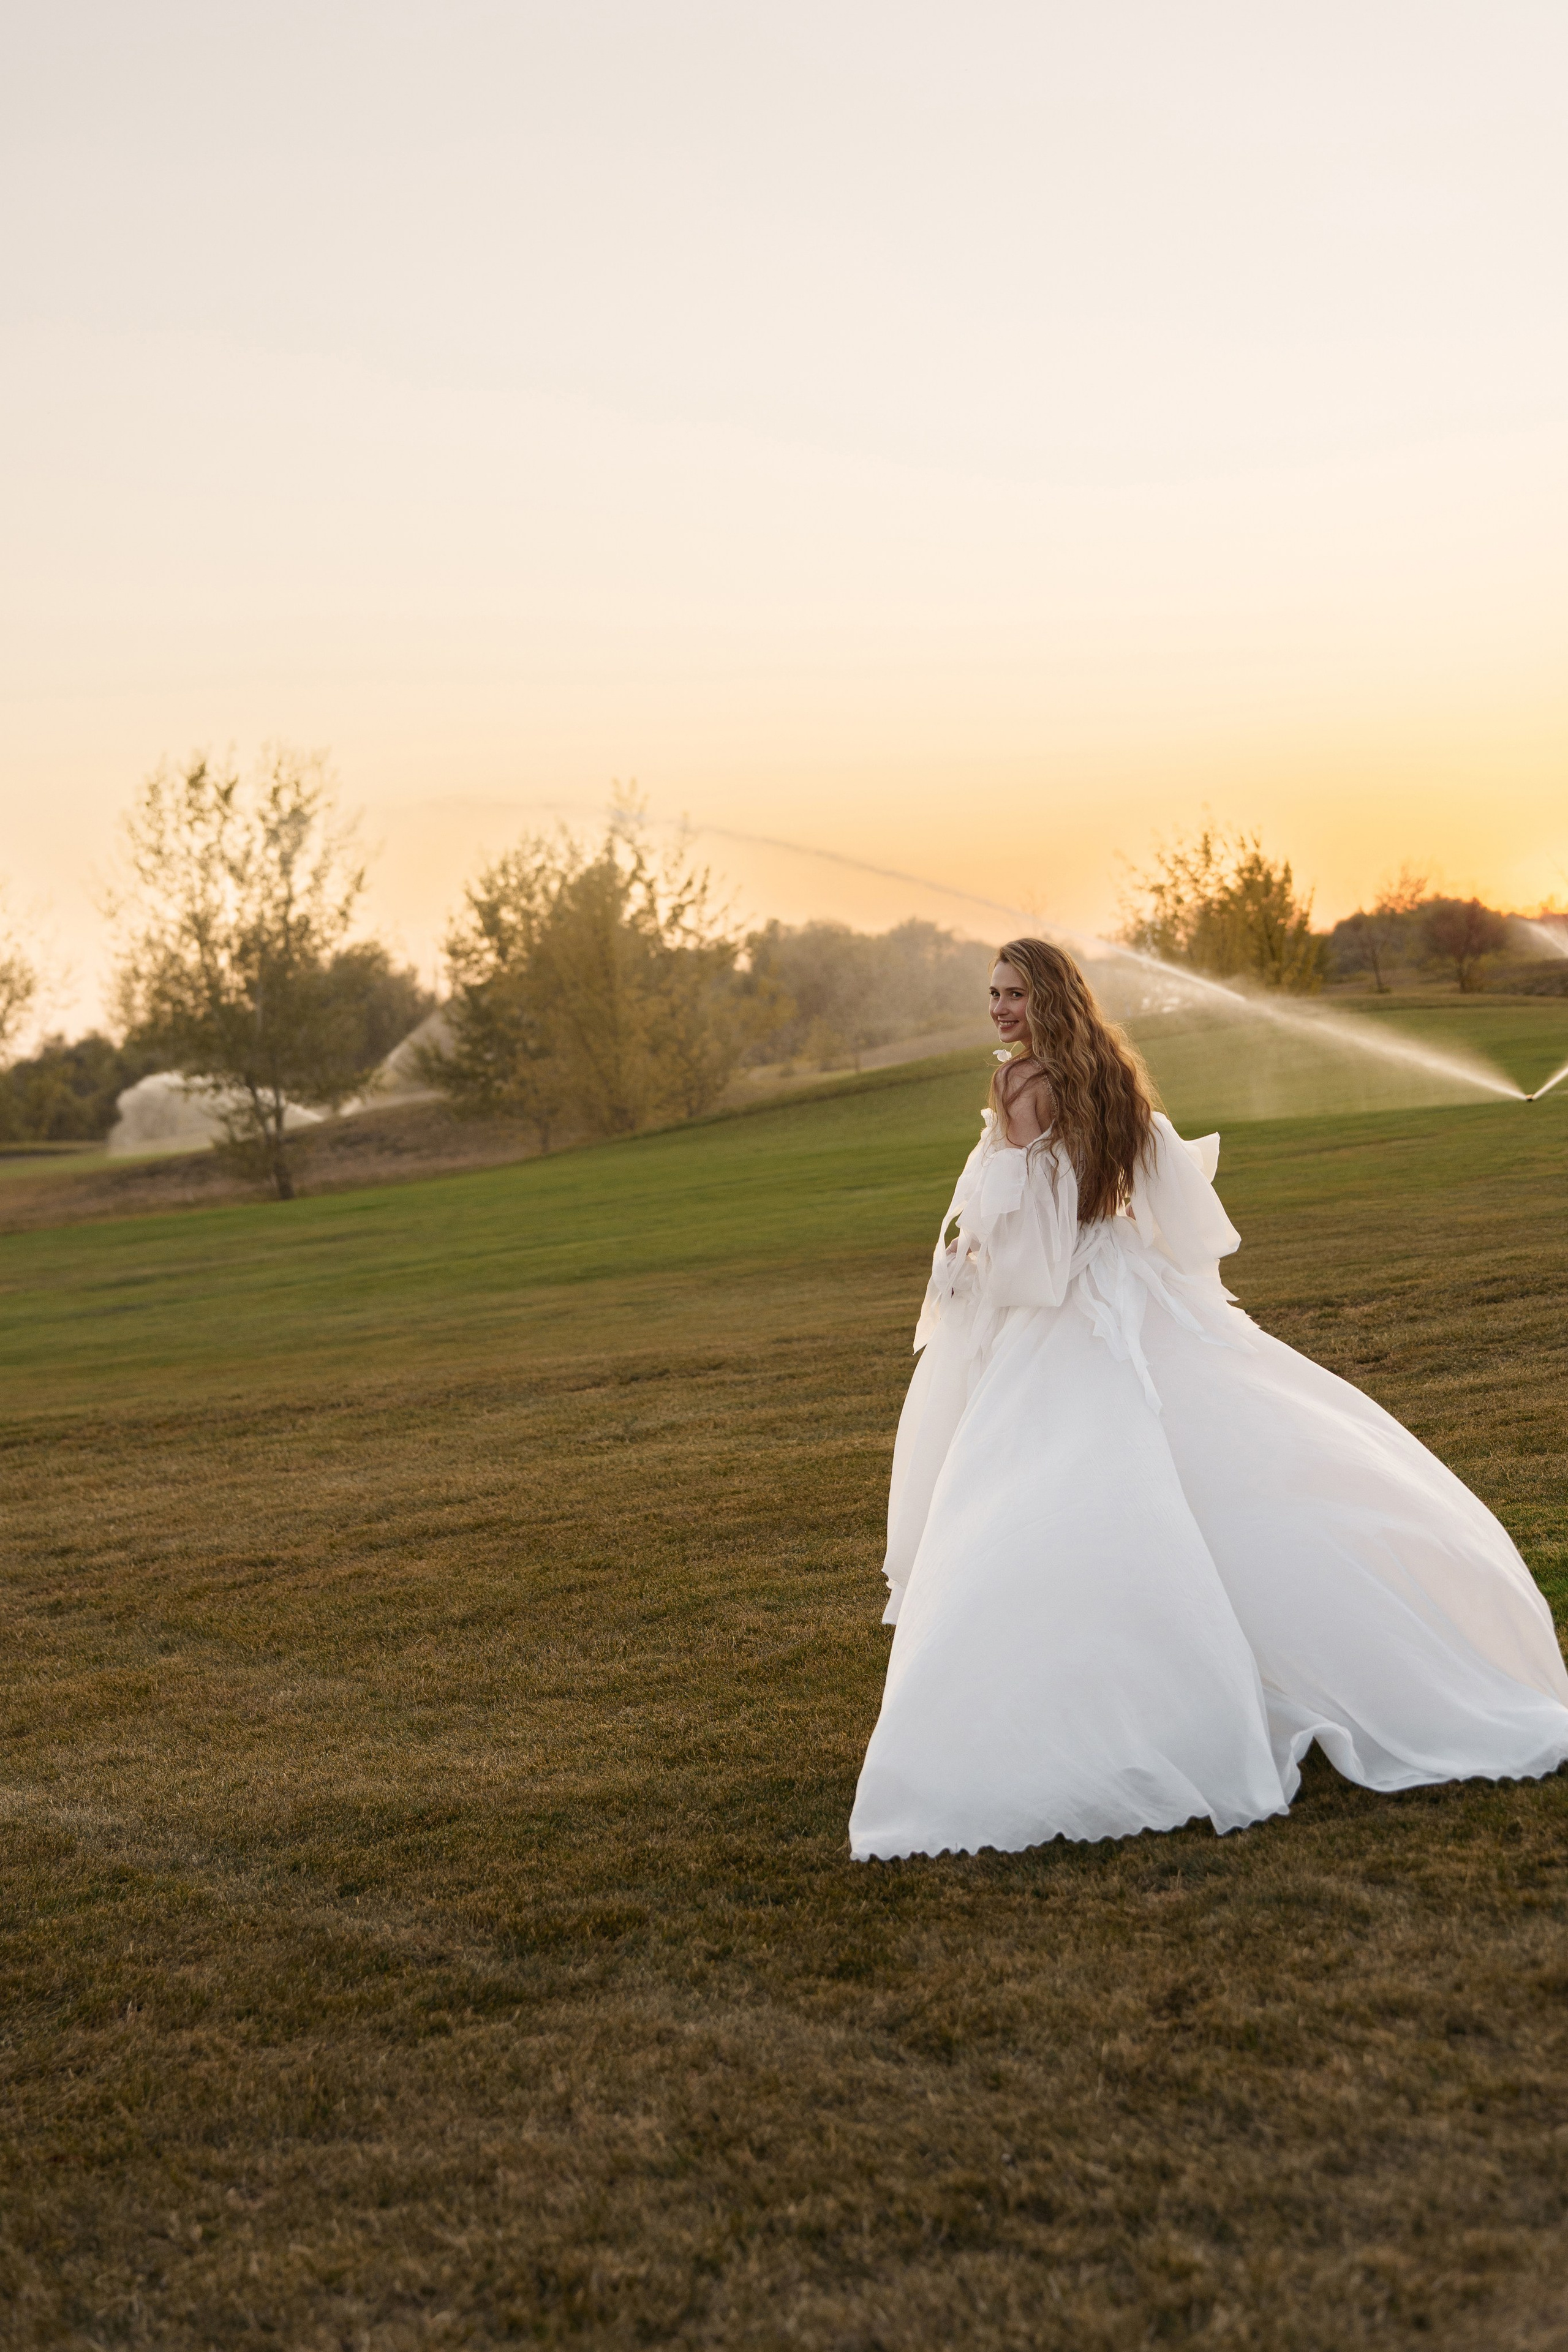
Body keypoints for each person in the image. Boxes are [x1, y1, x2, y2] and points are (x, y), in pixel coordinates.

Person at [849, 937, 1568, 1861]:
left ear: (1049, 999)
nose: (998, 1010)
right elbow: (1178, 1227)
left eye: (1013, 994)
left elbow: (1039, 1258)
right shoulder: (1115, 1078)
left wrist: (974, 1270)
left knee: (1036, 1500)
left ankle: (1090, 1713)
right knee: (1225, 1477)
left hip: (1066, 1318)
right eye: (992, 994)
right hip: (1140, 1293)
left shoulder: (1020, 1086)